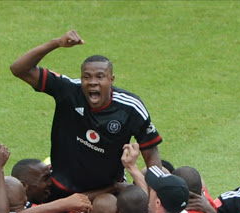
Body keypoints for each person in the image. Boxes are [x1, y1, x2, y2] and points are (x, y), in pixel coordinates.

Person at [10, 30, 163, 197]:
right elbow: (19, 69)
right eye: (87, 77)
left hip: (106, 192)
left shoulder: (131, 107)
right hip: (59, 187)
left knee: (106, 208)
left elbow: (151, 152)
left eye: (100, 77)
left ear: (111, 80)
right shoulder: (68, 90)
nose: (93, 82)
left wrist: (153, 196)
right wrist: (56, 43)